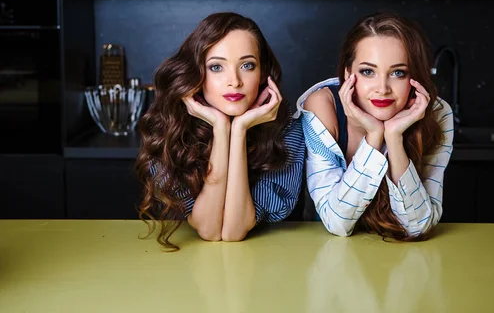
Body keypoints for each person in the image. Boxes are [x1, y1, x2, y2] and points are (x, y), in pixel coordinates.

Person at [136, 12, 304, 250]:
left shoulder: (288, 129)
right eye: (216, 67)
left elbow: (235, 231)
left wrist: (239, 130)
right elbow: (209, 229)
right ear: (197, 73)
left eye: (247, 65)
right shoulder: (171, 125)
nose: (234, 81)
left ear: (263, 73)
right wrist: (221, 128)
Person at [295, 12, 453, 240]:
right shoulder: (323, 107)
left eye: (398, 73)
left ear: (415, 76)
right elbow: (337, 223)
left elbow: (417, 226)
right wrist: (374, 135)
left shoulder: (436, 114)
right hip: (329, 255)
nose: (382, 88)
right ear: (348, 74)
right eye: (368, 72)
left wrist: (394, 139)